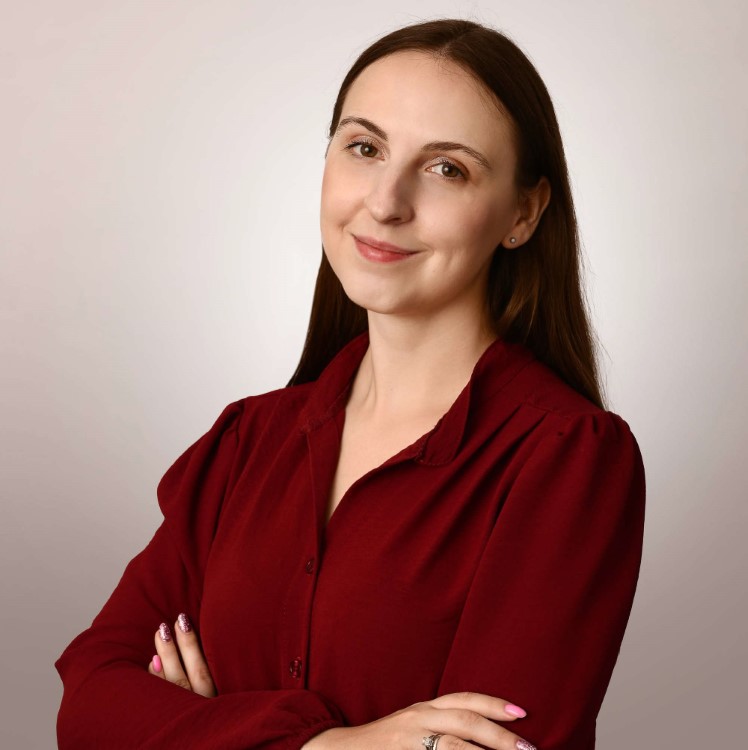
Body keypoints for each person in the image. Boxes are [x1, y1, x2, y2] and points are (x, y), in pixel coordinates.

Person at [54, 18, 645, 750]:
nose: (386, 202)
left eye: (447, 168)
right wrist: (323, 745)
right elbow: (89, 706)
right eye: (364, 148)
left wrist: (196, 730)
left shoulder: (567, 457)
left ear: (523, 213)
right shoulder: (245, 442)